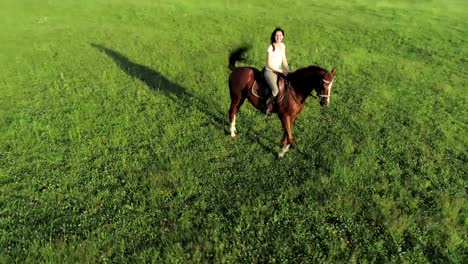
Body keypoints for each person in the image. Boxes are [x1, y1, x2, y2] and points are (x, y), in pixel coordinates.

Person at [264, 27, 289, 114]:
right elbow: (269, 64)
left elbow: (284, 60)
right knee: (275, 90)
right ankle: (267, 104)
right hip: (270, 71)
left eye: (280, 35)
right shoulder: (271, 47)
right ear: (274, 36)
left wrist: (288, 70)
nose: (279, 37)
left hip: (279, 71)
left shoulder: (283, 46)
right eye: (277, 35)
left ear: (283, 36)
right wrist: (281, 71)